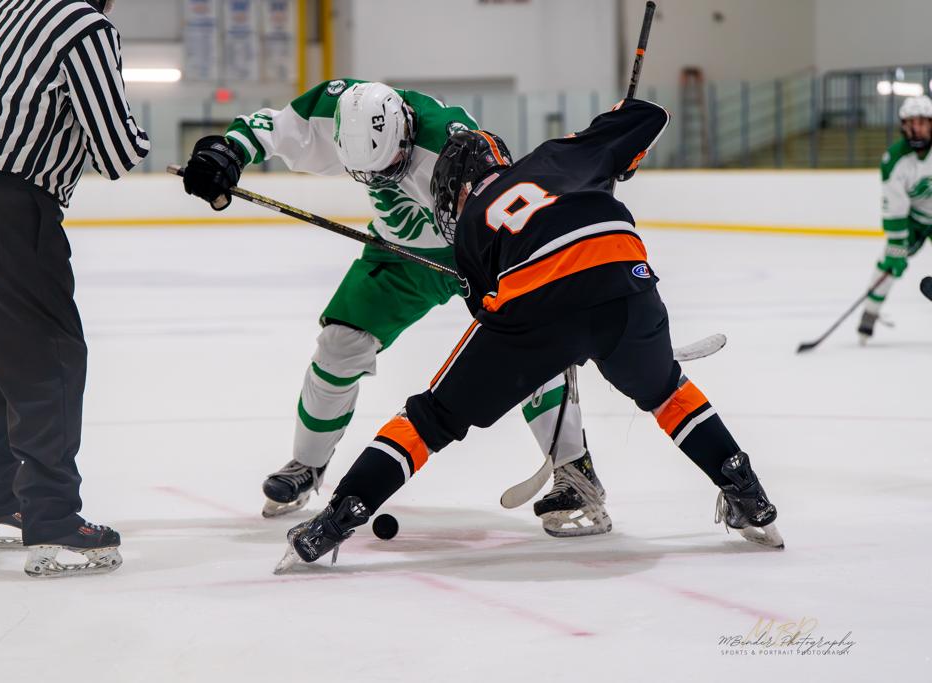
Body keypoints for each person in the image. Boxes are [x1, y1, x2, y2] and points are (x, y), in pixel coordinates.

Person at [277, 99, 784, 571]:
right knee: (667, 391)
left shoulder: (471, 227)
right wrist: (618, 156)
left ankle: (338, 516)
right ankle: (747, 491)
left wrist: (551, 344)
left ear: (455, 188)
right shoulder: (561, 153)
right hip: (627, 282)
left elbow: (494, 313)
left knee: (431, 417)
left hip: (538, 305)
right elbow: (647, 116)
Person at [182, 79, 610, 536]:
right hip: (398, 255)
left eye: (389, 167)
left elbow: (509, 205)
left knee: (530, 343)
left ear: (406, 131)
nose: (379, 180)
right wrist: (228, 152)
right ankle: (307, 465)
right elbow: (274, 127)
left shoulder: (452, 141)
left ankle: (575, 471)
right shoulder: (339, 110)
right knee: (339, 345)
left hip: (477, 250)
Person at [0, 0, 148, 577]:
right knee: (52, 358)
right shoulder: (85, 25)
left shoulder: (2, 10)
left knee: (5, 356)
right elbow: (115, 149)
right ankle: (52, 518)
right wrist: (154, 149)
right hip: (14, 206)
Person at [858, 95, 932, 343]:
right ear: (904, 126)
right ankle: (870, 313)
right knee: (889, 264)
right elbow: (896, 206)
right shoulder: (895, 160)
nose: (917, 128)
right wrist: (897, 246)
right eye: (912, 123)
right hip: (913, 220)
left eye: (923, 122)